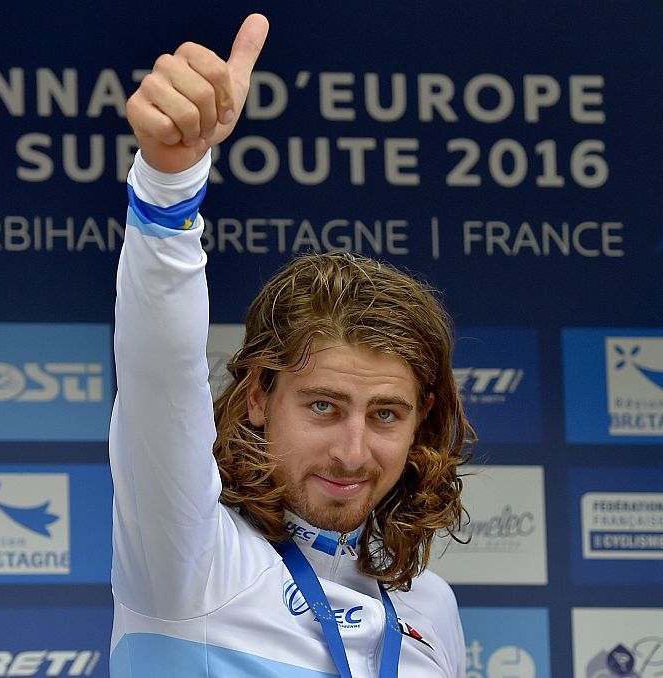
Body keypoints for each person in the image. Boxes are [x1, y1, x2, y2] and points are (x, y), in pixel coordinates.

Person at [109, 13, 473, 677]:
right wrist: (170, 184)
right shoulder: (190, 559)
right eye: (324, 407)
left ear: (422, 419)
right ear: (257, 397)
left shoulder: (433, 609)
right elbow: (159, 373)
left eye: (385, 414)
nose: (353, 450)